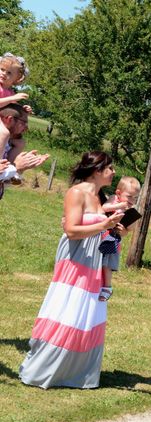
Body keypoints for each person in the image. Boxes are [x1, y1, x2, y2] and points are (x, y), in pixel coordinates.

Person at [19, 151, 125, 389]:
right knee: (67, 310)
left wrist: (116, 229)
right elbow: (71, 231)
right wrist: (103, 224)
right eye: (110, 168)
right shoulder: (75, 193)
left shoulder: (101, 196)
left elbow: (105, 232)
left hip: (95, 261)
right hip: (75, 261)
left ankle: (78, 372)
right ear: (97, 170)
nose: (113, 172)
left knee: (87, 314)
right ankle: (45, 370)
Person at [98, 176, 141, 301]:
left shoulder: (131, 210)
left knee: (107, 264)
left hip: (113, 238)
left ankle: (107, 287)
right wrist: (119, 206)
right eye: (129, 196)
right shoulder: (113, 199)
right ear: (118, 193)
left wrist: (125, 231)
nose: (132, 200)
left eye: (135, 198)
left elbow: (130, 228)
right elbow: (104, 208)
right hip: (102, 234)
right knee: (98, 261)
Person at [0, 53, 30, 159]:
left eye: (9, 73)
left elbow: (12, 108)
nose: (3, 73)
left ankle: (10, 164)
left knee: (20, 143)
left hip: (3, 120)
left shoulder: (10, 92)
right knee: (4, 133)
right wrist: (12, 98)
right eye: (2, 69)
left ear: (17, 79)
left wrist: (23, 110)